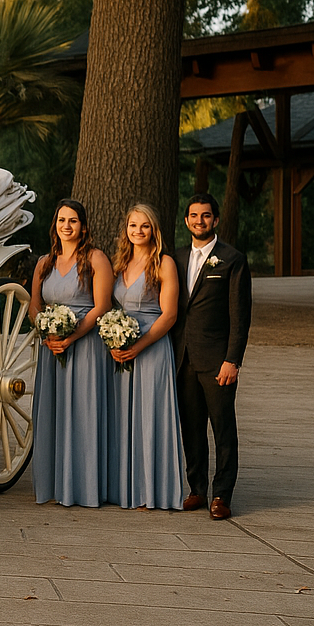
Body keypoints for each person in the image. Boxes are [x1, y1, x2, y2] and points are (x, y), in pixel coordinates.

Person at [28, 199, 115, 507]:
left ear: (83, 227)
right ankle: (54, 483)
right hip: (51, 348)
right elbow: (34, 305)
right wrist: (48, 332)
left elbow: (102, 306)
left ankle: (86, 487)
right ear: (55, 225)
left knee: (83, 412)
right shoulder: (44, 262)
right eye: (62, 220)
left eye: (73, 221)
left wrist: (72, 336)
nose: (67, 225)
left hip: (86, 346)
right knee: (54, 412)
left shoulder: (95, 259)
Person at [172, 193, 252, 519]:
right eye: (194, 216)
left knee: (222, 428)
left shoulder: (232, 259)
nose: (199, 221)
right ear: (187, 220)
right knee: (191, 428)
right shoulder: (175, 258)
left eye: (206, 216)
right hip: (182, 358)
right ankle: (197, 489)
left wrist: (233, 360)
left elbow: (240, 315)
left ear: (215, 220)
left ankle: (222, 495)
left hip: (218, 360)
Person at [107, 202, 187, 510]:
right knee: (123, 418)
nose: (138, 231)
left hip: (151, 349)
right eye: (133, 225)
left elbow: (169, 315)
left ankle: (152, 492)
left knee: (149, 418)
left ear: (154, 230)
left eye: (144, 226)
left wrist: (138, 346)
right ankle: (124, 489)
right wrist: (113, 338)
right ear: (125, 230)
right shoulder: (119, 264)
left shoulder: (163, 263)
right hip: (119, 349)